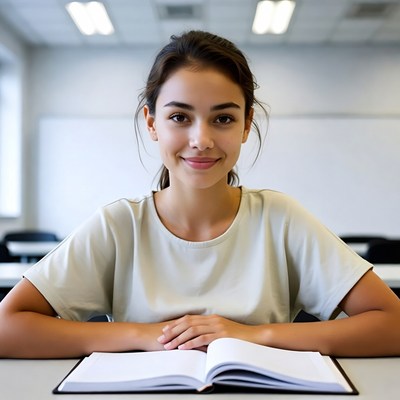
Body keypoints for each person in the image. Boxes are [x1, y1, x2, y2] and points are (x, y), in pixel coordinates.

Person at [0, 31, 399, 359]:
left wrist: (252, 335)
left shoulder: (280, 219)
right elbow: (7, 326)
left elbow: (392, 323)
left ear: (246, 126)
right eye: (179, 117)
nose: (201, 140)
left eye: (223, 118)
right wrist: (145, 335)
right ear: (152, 123)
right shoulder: (119, 225)